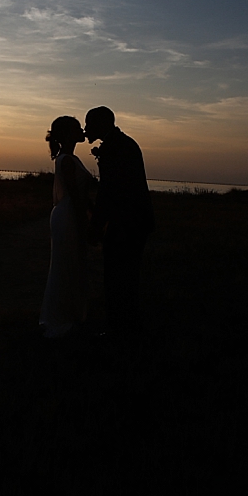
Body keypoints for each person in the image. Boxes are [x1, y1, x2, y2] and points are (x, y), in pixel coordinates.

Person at [85, 106, 153, 337]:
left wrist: (95, 226)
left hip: (128, 223)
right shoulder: (121, 144)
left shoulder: (116, 147)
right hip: (133, 220)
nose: (86, 129)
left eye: (89, 123)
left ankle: (120, 329)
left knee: (118, 276)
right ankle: (125, 326)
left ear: (102, 123)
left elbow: (108, 191)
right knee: (125, 276)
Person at [39, 116, 94, 339]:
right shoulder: (67, 160)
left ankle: (69, 315)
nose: (82, 129)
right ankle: (61, 319)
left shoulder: (68, 158)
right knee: (67, 264)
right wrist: (85, 221)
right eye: (77, 127)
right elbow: (75, 194)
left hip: (67, 213)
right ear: (67, 134)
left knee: (71, 264)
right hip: (69, 216)